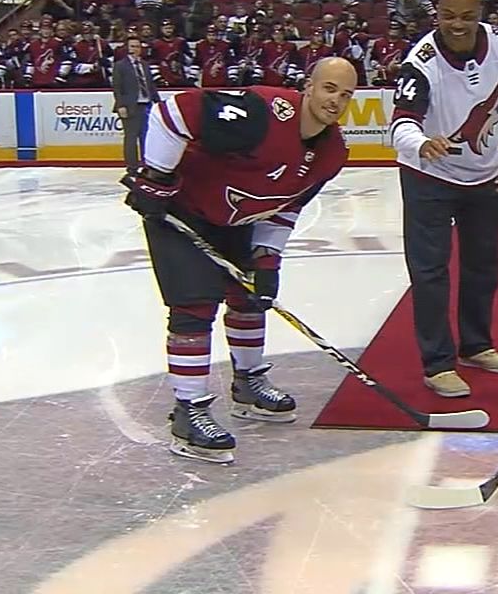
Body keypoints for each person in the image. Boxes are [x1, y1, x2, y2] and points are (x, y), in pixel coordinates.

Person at [120, 57, 357, 463]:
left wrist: (268, 258)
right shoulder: (260, 114)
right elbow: (172, 113)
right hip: (180, 211)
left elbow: (286, 208)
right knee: (193, 307)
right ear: (308, 87)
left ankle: (247, 384)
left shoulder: (332, 153)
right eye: (329, 88)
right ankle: (188, 411)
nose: (335, 100)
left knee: (249, 296)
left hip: (236, 220)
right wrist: (156, 178)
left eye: (346, 94)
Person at [389, 0, 498, 398]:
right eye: (449, 15)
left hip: (485, 175)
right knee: (430, 270)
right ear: (436, 13)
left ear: (480, 13)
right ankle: (437, 364)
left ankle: (477, 345)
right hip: (428, 177)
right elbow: (400, 123)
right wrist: (422, 142)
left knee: (482, 264)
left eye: (467, 16)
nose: (457, 24)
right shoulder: (422, 60)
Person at [113, 36, 160, 172]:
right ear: (127, 48)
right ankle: (132, 167)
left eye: (137, 46)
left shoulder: (144, 65)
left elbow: (150, 86)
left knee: (146, 136)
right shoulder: (120, 65)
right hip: (129, 106)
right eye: (132, 46)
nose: (135, 49)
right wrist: (121, 105)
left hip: (146, 105)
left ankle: (147, 164)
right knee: (131, 137)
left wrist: (158, 103)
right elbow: (117, 87)